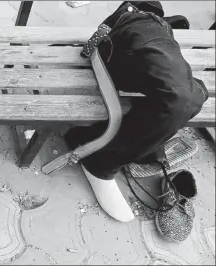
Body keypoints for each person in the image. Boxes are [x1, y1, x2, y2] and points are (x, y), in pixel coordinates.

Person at [64, 1, 208, 223]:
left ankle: (96, 141)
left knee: (184, 99)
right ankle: (100, 163)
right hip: (138, 27)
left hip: (140, 31)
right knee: (183, 100)